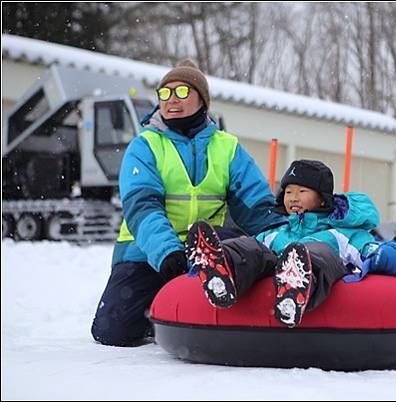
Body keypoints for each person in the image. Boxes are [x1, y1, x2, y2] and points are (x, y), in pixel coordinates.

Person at [91, 59, 284, 346]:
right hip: (147, 253)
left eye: (181, 92)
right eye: (165, 93)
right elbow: (142, 207)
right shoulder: (145, 146)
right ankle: (162, 313)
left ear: (201, 100)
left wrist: (286, 238)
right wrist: (167, 252)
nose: (172, 100)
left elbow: (257, 208)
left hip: (208, 252)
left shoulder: (227, 148)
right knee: (111, 332)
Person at [186, 159, 396, 328]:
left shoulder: (341, 234)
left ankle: (296, 287)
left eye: (302, 191)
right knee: (253, 248)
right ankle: (222, 270)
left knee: (315, 251)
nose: (293, 197)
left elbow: (371, 249)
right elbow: (253, 248)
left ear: (322, 199)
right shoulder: (276, 233)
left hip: (319, 271)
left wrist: (387, 254)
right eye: (288, 191)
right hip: (275, 268)